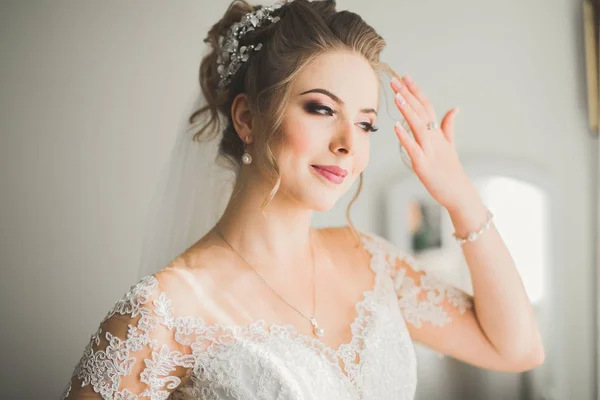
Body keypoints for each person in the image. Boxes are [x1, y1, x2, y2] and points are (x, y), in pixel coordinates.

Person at [62, 0, 545, 398]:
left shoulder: (372, 263)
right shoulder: (164, 311)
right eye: (321, 108)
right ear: (247, 118)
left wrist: (460, 198)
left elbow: (517, 349)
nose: (348, 145)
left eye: (364, 123)